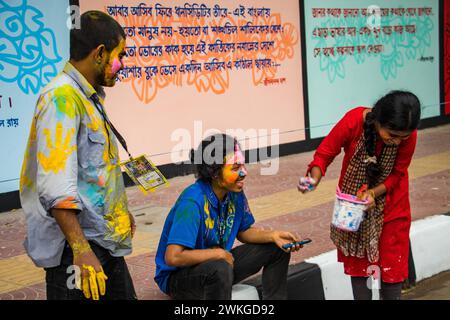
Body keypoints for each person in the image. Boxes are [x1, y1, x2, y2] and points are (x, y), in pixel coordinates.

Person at [20, 11, 137, 300]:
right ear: (99, 53)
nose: (122, 65)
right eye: (119, 55)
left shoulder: (87, 97)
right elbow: (56, 190)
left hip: (102, 241)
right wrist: (81, 250)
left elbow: (91, 172)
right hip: (75, 252)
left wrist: (119, 213)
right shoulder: (61, 98)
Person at [298, 90, 421, 300]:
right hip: (353, 205)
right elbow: (324, 154)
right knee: (359, 267)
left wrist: (373, 193)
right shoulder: (354, 120)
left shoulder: (407, 137)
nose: (397, 142)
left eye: (404, 137)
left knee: (391, 272)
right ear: (379, 120)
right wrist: (313, 179)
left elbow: (398, 174)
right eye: (392, 135)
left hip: (392, 206)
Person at [154, 134, 302, 300]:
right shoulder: (192, 202)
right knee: (220, 268)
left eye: (243, 166)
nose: (244, 172)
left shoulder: (234, 192)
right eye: (235, 168)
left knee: (277, 247)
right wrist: (218, 254)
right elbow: (173, 257)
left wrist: (273, 235)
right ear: (215, 173)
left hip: (219, 264)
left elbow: (244, 231)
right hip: (179, 278)